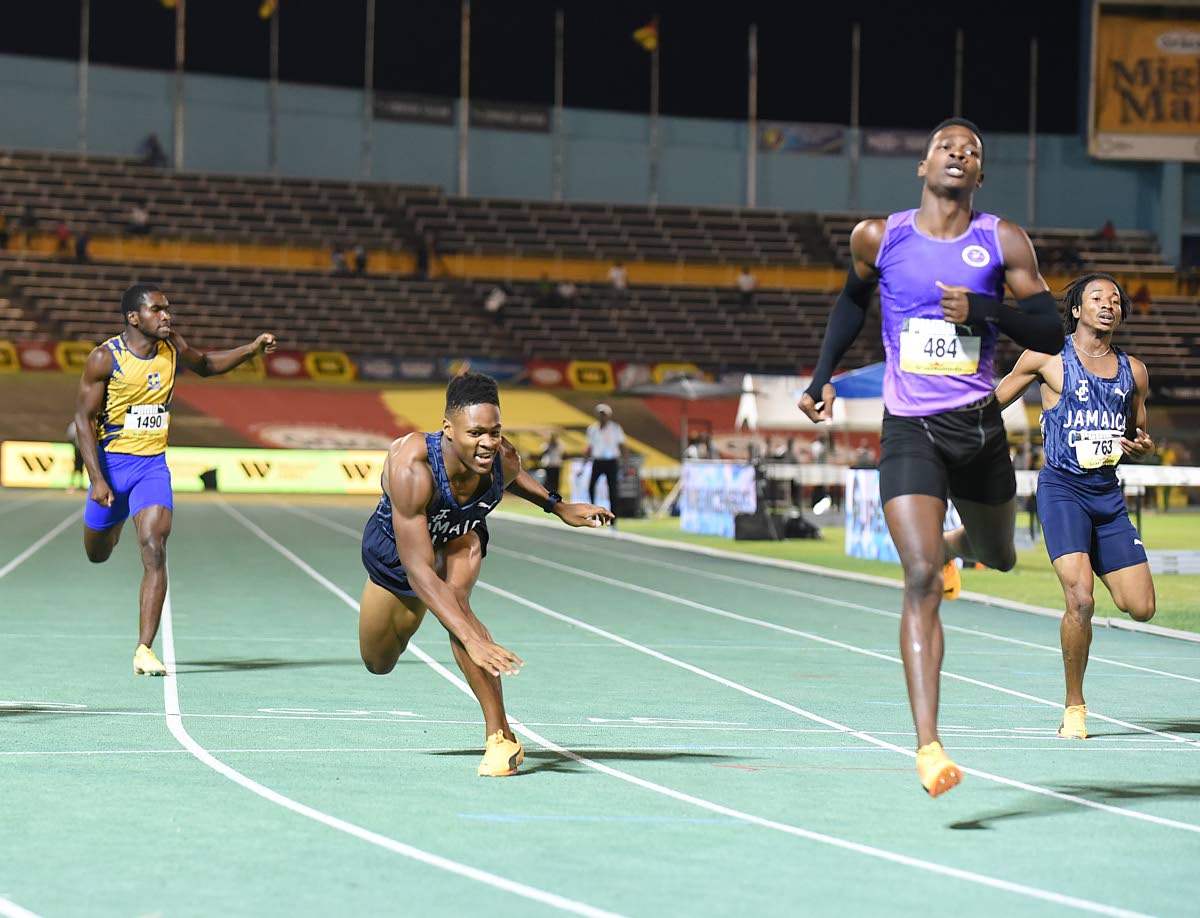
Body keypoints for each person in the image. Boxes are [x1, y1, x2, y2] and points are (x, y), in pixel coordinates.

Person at [799, 118, 1064, 797]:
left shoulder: (1001, 241)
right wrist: (821, 373)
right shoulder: (878, 238)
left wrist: (985, 307)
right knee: (918, 575)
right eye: (946, 145)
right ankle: (928, 747)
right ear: (922, 165)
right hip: (910, 429)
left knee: (998, 554)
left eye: (972, 149)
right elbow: (851, 304)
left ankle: (958, 545)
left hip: (978, 430)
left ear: (980, 175)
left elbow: (1052, 331)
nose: (958, 153)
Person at [358, 373, 613, 777]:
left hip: (461, 534)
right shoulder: (411, 466)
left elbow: (512, 474)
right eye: (476, 432)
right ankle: (458, 633)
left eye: (495, 432)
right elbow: (419, 570)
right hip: (402, 552)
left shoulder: (502, 457)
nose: (488, 443)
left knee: (457, 605)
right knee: (378, 661)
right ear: (448, 429)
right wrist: (473, 639)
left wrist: (557, 507)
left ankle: (501, 737)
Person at [74, 283, 277, 676]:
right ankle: (113, 524)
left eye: (167, 309)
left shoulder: (171, 347)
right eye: (157, 310)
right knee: (97, 553)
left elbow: (205, 365)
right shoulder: (104, 358)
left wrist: (250, 350)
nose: (166, 316)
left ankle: (143, 649)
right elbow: (83, 418)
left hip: (152, 465)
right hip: (113, 468)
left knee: (155, 545)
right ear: (134, 317)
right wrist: (96, 479)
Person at [995, 274, 1155, 740]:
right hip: (1062, 490)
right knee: (1080, 600)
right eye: (1097, 298)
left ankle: (1094, 561)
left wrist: (1141, 445)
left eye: (1115, 300)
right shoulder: (1047, 357)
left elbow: (1138, 432)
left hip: (1107, 496)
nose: (1108, 305)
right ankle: (1074, 707)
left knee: (1140, 607)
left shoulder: (1135, 371)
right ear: (1078, 310)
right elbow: (994, 402)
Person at [585, 403, 627, 513]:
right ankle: (593, 511)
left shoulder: (615, 428)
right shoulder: (592, 429)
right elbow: (589, 447)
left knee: (612, 489)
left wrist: (625, 462)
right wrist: (584, 461)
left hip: (611, 461)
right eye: (599, 414)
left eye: (603, 414)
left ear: (609, 415)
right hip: (598, 461)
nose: (601, 416)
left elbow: (622, 445)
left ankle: (613, 517)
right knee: (591, 487)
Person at [65, 419, 85, 493]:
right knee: (75, 466)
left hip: (84, 449)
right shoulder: (74, 425)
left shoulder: (84, 423)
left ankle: (80, 483)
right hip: (77, 449)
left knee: (82, 466)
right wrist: (75, 445)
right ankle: (72, 483)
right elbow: (70, 436)